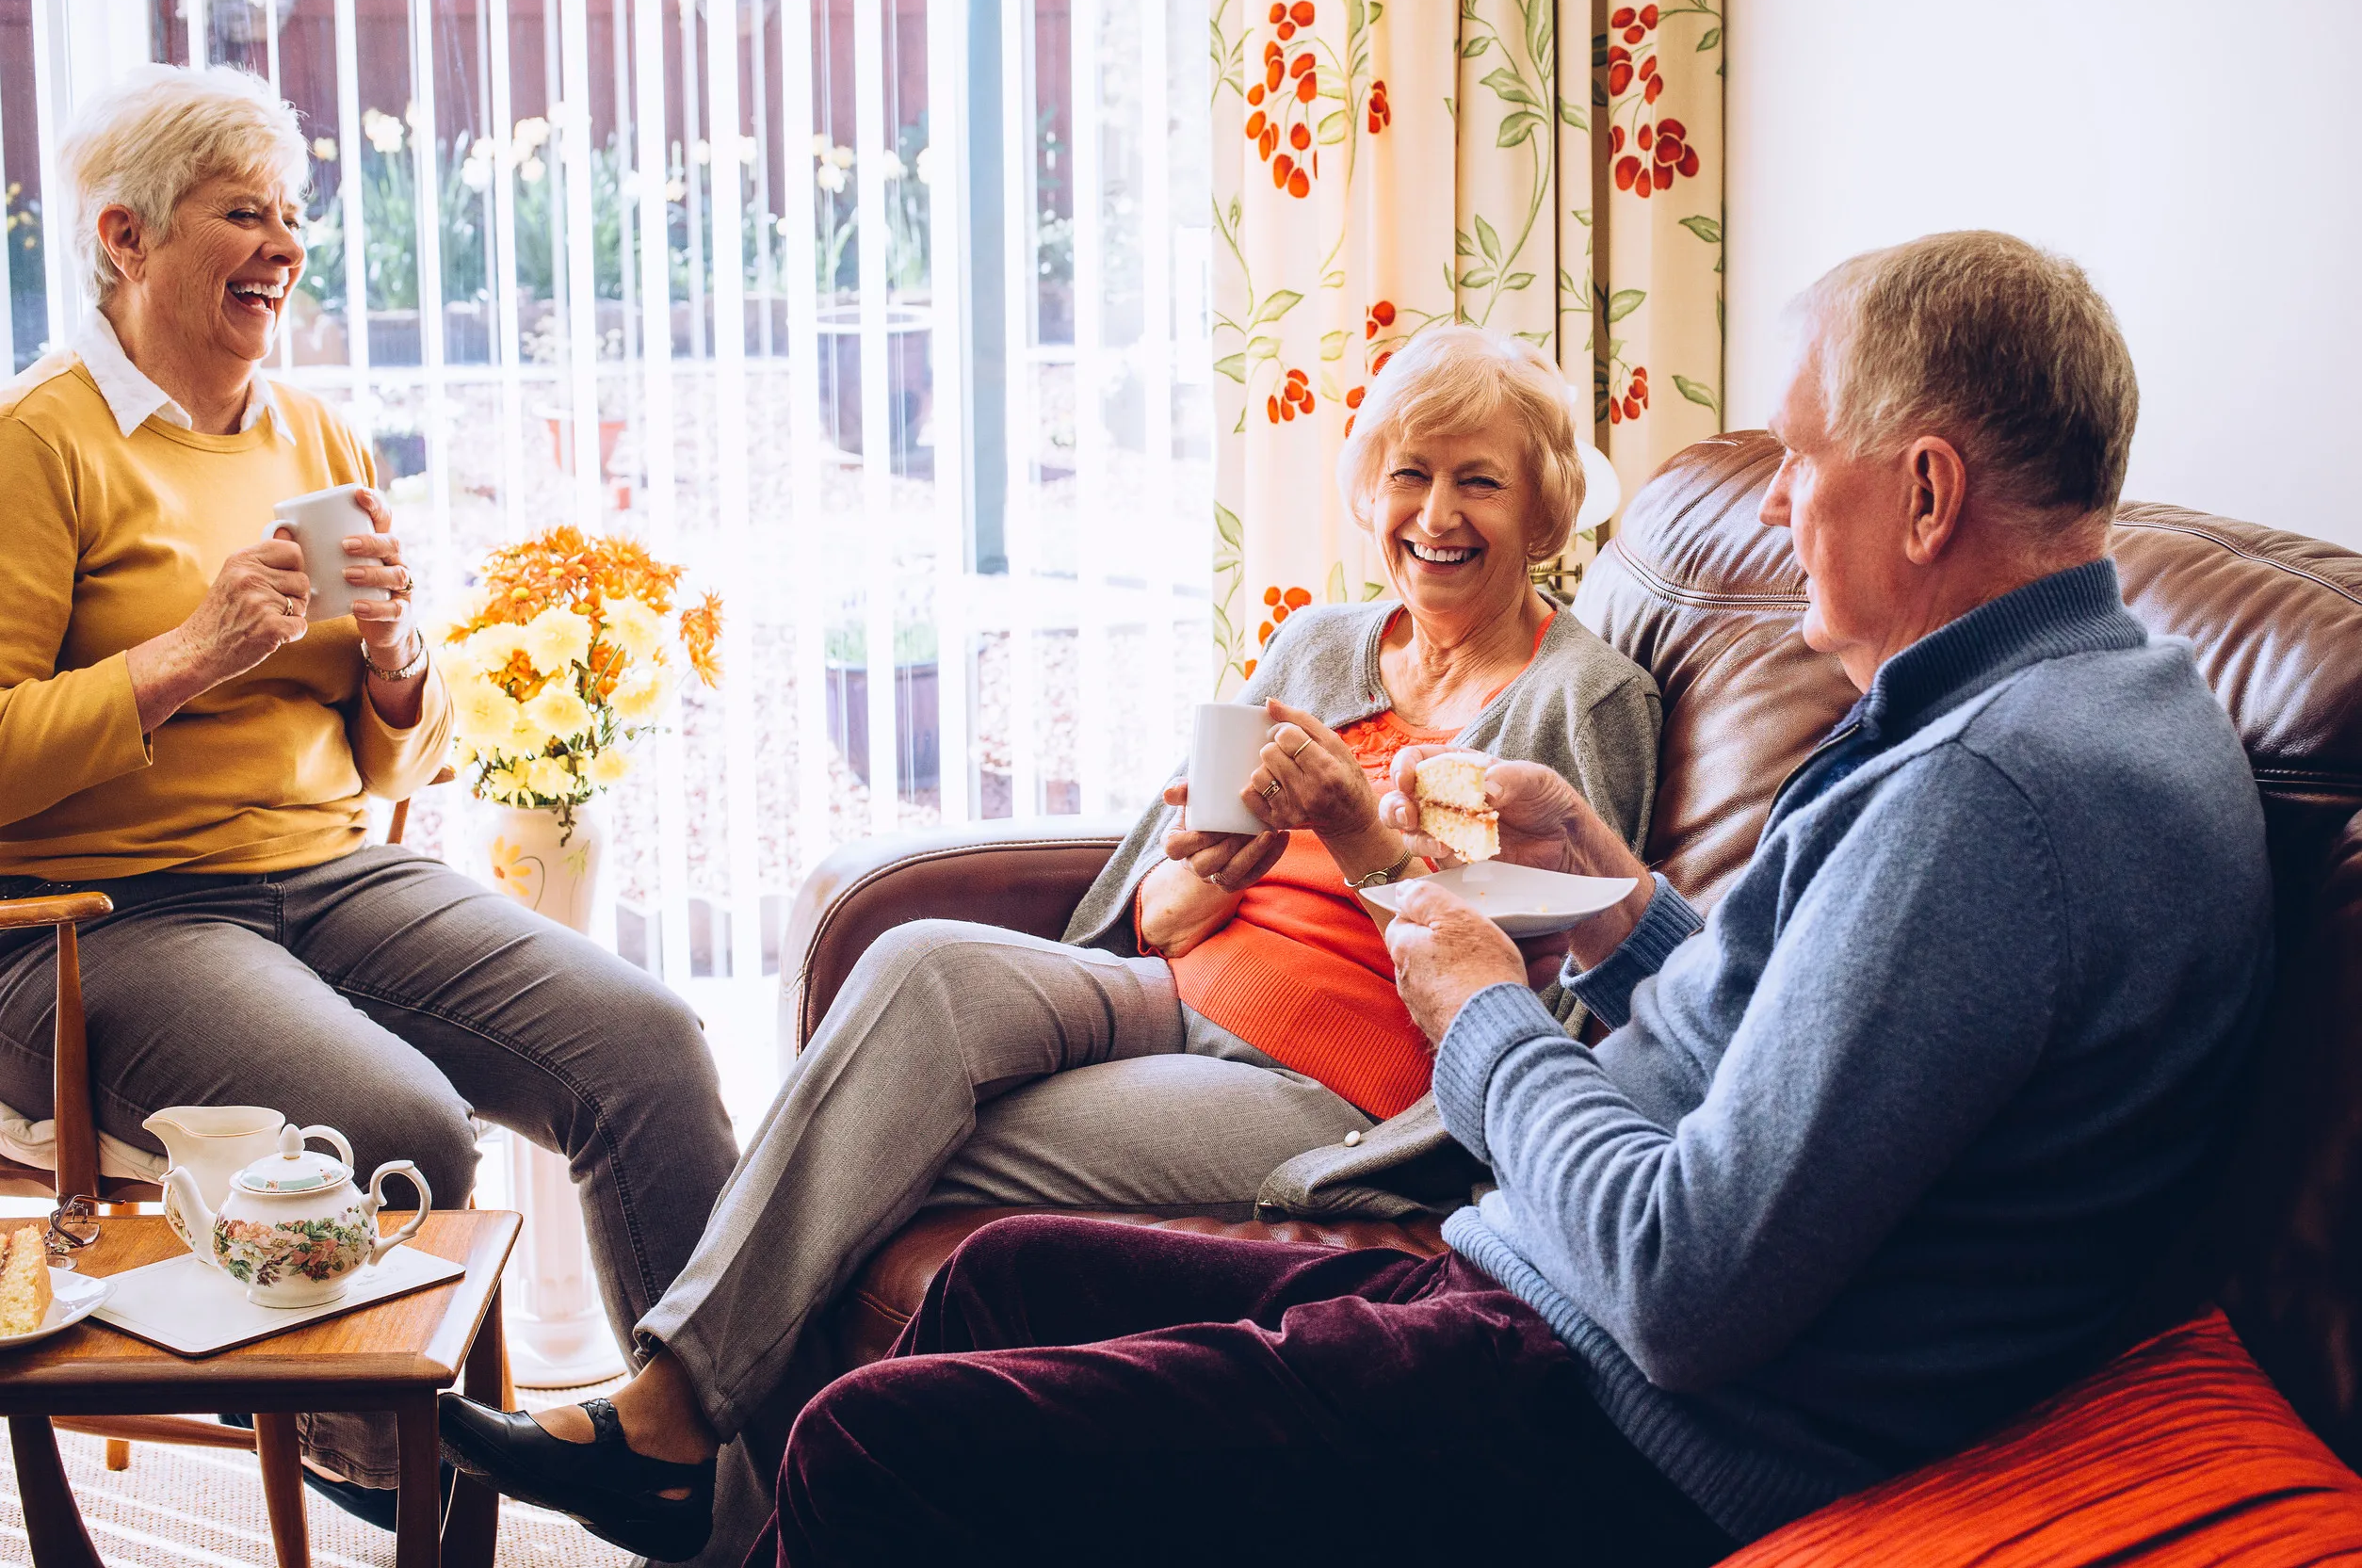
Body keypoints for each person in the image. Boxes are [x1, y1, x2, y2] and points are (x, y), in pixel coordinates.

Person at [751, 230, 2277, 1565]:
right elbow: (1811, 1039)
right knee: (1006, 1277)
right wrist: (1612, 908)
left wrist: (1484, 1011)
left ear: (1929, 493)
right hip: (1542, 1300)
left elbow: (1687, 1282)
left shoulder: (1991, 797)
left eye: (1804, 463)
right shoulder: (2091, 701)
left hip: (1611, 1421)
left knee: (871, 1452)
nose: (1785, 506)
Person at [437, 325, 1662, 1562]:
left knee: (885, 1151)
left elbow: (1562, 976)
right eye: (1410, 473)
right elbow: (1160, 886)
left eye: (1479, 480)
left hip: (1340, 1086)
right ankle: (695, 1456)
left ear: (1545, 506)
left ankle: (694, 1456)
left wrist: (1352, 830)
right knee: (918, 964)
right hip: (1172, 990)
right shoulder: (1323, 647)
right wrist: (1186, 889)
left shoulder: (1581, 697)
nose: (1435, 514)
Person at [0, 65, 738, 1517]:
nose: (282, 244)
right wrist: (190, 654)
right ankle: (400, 1482)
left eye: (293, 214)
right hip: (103, 922)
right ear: (125, 238)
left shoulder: (315, 439)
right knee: (397, 1125)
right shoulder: (38, 445)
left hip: (334, 877)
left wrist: (403, 665)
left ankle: (699, 1472)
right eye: (241, 213)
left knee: (647, 1047)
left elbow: (404, 759)